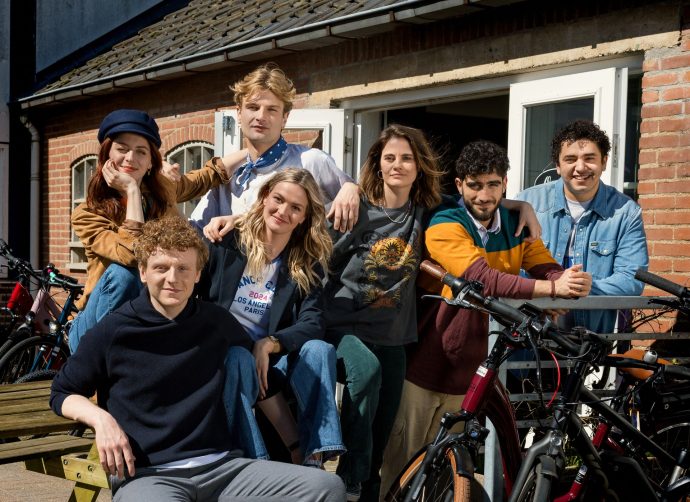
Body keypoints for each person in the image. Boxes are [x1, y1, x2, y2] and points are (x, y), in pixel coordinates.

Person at [50, 216, 344, 501]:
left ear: (198, 274)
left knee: (326, 487)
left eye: (183, 268)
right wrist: (101, 421)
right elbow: (62, 393)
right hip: (150, 475)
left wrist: (294, 445)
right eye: (160, 267)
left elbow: (265, 387)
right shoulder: (113, 331)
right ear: (143, 271)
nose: (172, 279)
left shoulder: (216, 322)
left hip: (224, 469)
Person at [379, 140, 593, 498]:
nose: (484, 194)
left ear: (505, 183)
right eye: (475, 185)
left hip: (473, 370)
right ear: (459, 185)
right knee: (401, 470)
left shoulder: (515, 221)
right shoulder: (444, 223)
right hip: (425, 365)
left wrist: (566, 280)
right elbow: (481, 279)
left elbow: (544, 265)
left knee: (447, 472)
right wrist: (548, 290)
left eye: (493, 184)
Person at [322, 124, 443, 502]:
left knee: (381, 428)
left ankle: (364, 487)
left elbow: (479, 203)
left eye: (406, 158)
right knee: (365, 372)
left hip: (393, 336)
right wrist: (348, 187)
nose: (398, 165)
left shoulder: (427, 212)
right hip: (343, 327)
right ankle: (349, 480)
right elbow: (315, 261)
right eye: (389, 158)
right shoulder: (354, 211)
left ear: (419, 166)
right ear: (377, 164)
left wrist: (518, 205)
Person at [197, 168, 345, 469]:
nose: (283, 211)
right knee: (240, 355)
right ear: (265, 197)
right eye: (278, 199)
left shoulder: (306, 263)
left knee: (320, 350)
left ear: (304, 217)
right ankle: (257, 462)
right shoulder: (227, 243)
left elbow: (313, 322)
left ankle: (315, 453)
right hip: (226, 351)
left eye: (295, 208)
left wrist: (270, 343)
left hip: (272, 356)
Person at [69, 108, 239, 353]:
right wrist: (131, 191)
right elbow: (130, 255)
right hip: (94, 333)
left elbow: (206, 176)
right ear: (106, 154)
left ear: (151, 162)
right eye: (122, 148)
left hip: (148, 319)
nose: (130, 158)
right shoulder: (88, 213)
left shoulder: (162, 191)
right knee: (124, 275)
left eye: (141, 151)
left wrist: (256, 150)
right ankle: (100, 375)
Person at [190, 63, 360, 237]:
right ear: (239, 113)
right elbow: (194, 231)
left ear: (284, 118)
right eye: (253, 107)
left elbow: (359, 209)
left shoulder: (311, 161)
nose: (261, 117)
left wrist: (351, 188)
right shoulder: (229, 175)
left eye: (271, 109)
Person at [516, 120, 648, 334]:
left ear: (604, 162)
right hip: (527, 334)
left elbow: (632, 279)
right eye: (570, 159)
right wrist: (547, 290)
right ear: (557, 166)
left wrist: (585, 288)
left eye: (589, 158)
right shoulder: (528, 203)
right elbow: (505, 266)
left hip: (587, 340)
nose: (580, 167)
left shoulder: (626, 212)